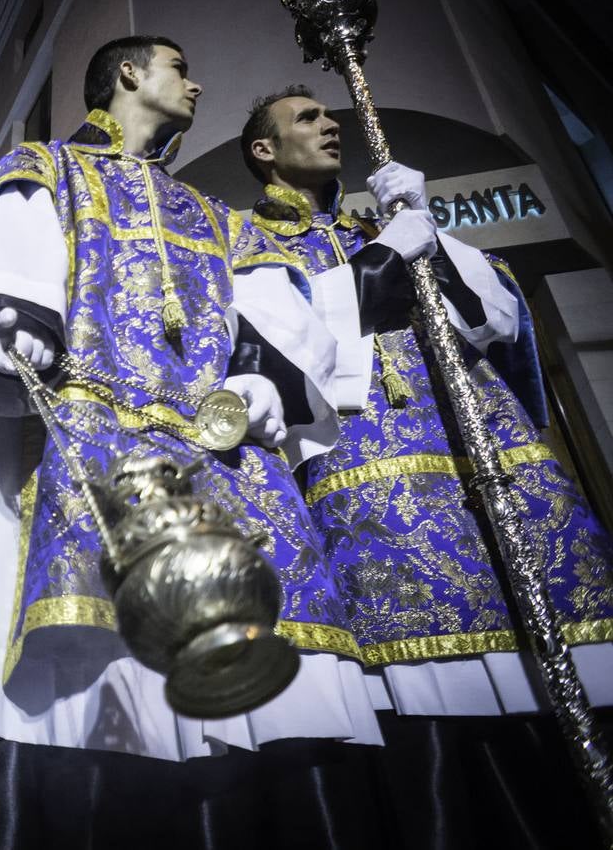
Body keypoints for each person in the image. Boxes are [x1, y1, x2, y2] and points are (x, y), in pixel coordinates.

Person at [0, 35, 405, 846]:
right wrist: (20, 320)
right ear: (131, 73)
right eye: (179, 68)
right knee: (85, 679)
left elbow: (282, 323)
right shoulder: (50, 166)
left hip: (217, 455)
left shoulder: (214, 215)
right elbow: (11, 260)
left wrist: (262, 376)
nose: (196, 85)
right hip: (78, 427)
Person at [241, 85, 613, 709]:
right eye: (308, 118)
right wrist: (385, 255)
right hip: (366, 458)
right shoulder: (247, 240)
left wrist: (428, 230)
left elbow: (496, 323)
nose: (331, 125)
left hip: (474, 437)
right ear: (265, 149)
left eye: (333, 115)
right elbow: (272, 334)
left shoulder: (381, 224)